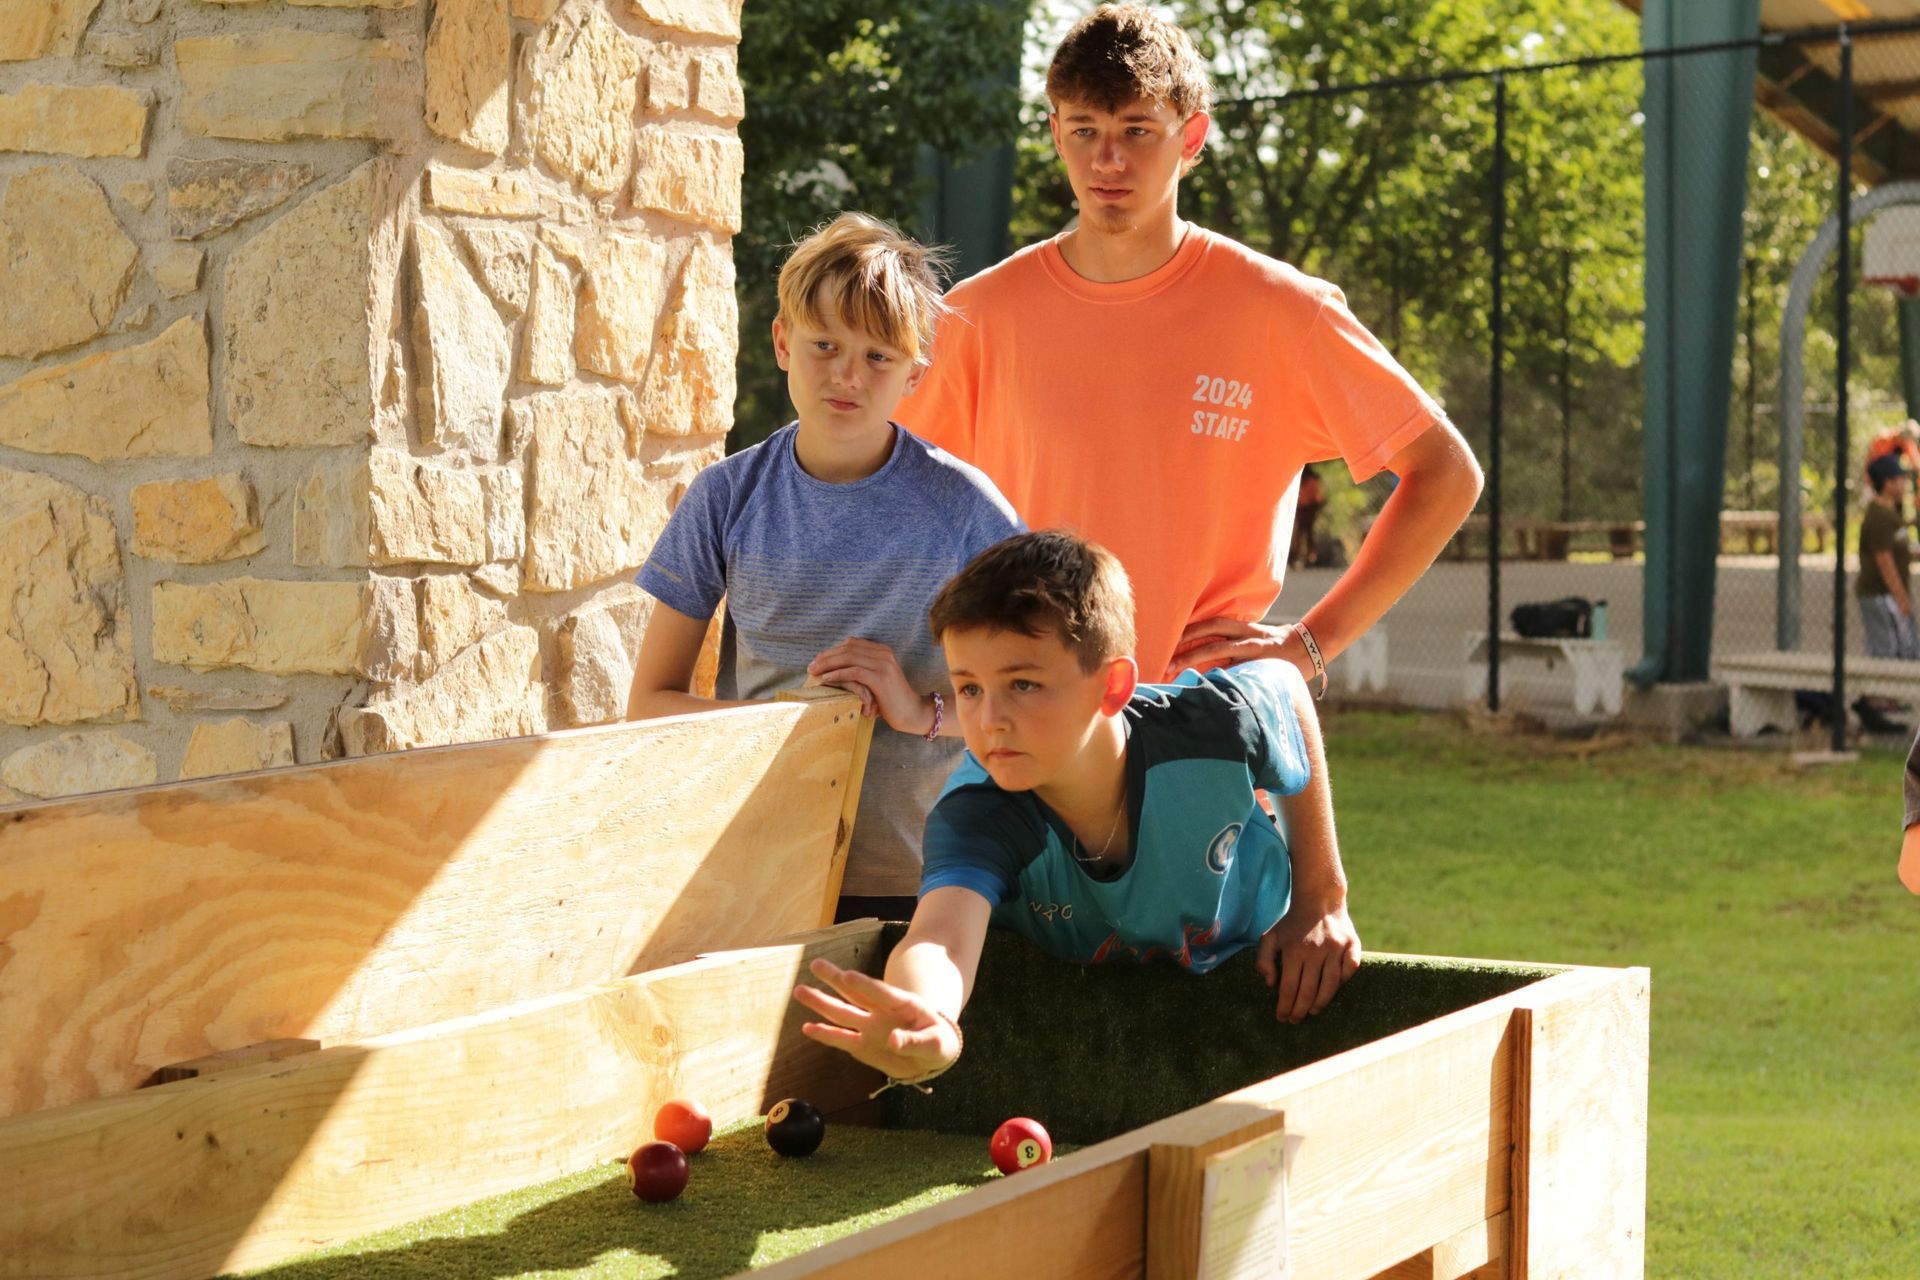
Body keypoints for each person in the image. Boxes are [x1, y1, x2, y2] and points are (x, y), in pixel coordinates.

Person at [895, 4, 1482, 692]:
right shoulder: (979, 314)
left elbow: (1446, 474)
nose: (1107, 158)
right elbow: (888, 492)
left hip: (1202, 720)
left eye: (1137, 131)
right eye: (1084, 130)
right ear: (1055, 135)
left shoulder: (1282, 310)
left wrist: (1310, 646)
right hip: (1025, 733)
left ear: (1192, 137)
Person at [791, 531, 1361, 1091]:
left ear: (1113, 687)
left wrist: (1321, 896)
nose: (990, 719)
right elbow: (939, 937)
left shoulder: (1210, 727)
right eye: (968, 689)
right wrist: (926, 1014)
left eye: (1023, 683)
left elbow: (1283, 685)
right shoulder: (981, 810)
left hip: (1252, 985)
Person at [628, 213, 1022, 922]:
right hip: (756, 869)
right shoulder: (725, 497)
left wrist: (917, 711)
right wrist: (784, 725)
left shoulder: (967, 509)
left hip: (930, 880)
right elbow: (649, 702)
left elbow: (1033, 705)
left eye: (878, 357)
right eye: (825, 345)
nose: (847, 375)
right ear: (782, 342)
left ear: (915, 373)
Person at [1290, 464, 1326, 568]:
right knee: (1303, 534)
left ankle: (1308, 557)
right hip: (1303, 510)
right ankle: (1301, 556)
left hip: (1306, 510)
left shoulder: (1308, 480)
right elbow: (1318, 498)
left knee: (1305, 534)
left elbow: (1317, 498)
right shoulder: (1306, 480)